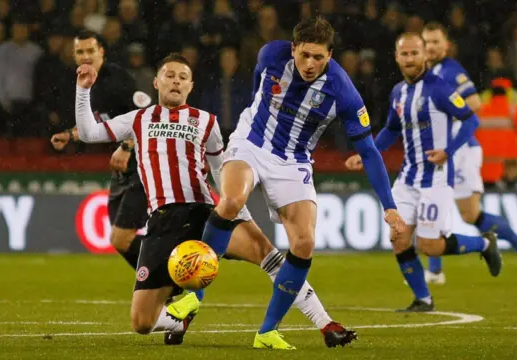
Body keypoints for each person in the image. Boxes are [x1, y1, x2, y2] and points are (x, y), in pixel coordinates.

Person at [73, 53, 356, 348]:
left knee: (269, 255)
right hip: (163, 219)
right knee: (142, 323)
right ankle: (178, 319)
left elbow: (222, 172)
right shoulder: (139, 119)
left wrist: (238, 211)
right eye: (169, 75)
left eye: (183, 77)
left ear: (190, 86)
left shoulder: (206, 122)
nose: (176, 82)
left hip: (205, 212)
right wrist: (83, 90)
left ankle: (326, 324)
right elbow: (88, 133)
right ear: (156, 82)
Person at [198, 17, 406, 350]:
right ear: (293, 48)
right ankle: (194, 295)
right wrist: (258, 112)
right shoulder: (270, 55)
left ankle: (267, 331)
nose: (310, 64)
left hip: (293, 160)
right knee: (232, 201)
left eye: (319, 58)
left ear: (330, 55)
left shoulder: (343, 92)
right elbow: (257, 88)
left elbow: (368, 152)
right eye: (305, 55)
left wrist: (390, 207)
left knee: (304, 242)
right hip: (252, 140)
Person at [345, 23, 517, 282]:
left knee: (470, 214)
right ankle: (435, 270)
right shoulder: (409, 83)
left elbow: (474, 104)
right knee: (435, 207)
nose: (432, 47)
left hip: (461, 150)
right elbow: (395, 126)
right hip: (436, 153)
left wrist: (446, 120)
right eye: (428, 42)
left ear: (445, 45)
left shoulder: (449, 72)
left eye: (436, 42)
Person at [368, 32, 502, 312]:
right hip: (408, 178)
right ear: (396, 57)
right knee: (398, 237)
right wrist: (369, 152)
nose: (409, 58)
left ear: (424, 56)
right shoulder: (398, 92)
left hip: (436, 179)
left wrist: (448, 151)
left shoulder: (439, 88)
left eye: (415, 53)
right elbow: (393, 129)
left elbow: (470, 119)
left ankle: (483, 244)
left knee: (431, 246)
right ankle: (424, 299)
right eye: (404, 54)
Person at [51, 31, 151, 272]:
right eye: (80, 52)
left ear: (101, 52)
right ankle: (161, 277)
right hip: (122, 170)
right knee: (119, 240)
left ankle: (162, 280)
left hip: (143, 165)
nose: (86, 56)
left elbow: (147, 116)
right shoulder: (82, 83)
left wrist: (127, 147)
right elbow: (99, 123)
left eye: (90, 51)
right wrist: (70, 135)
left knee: (121, 237)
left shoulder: (120, 79)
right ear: (74, 56)